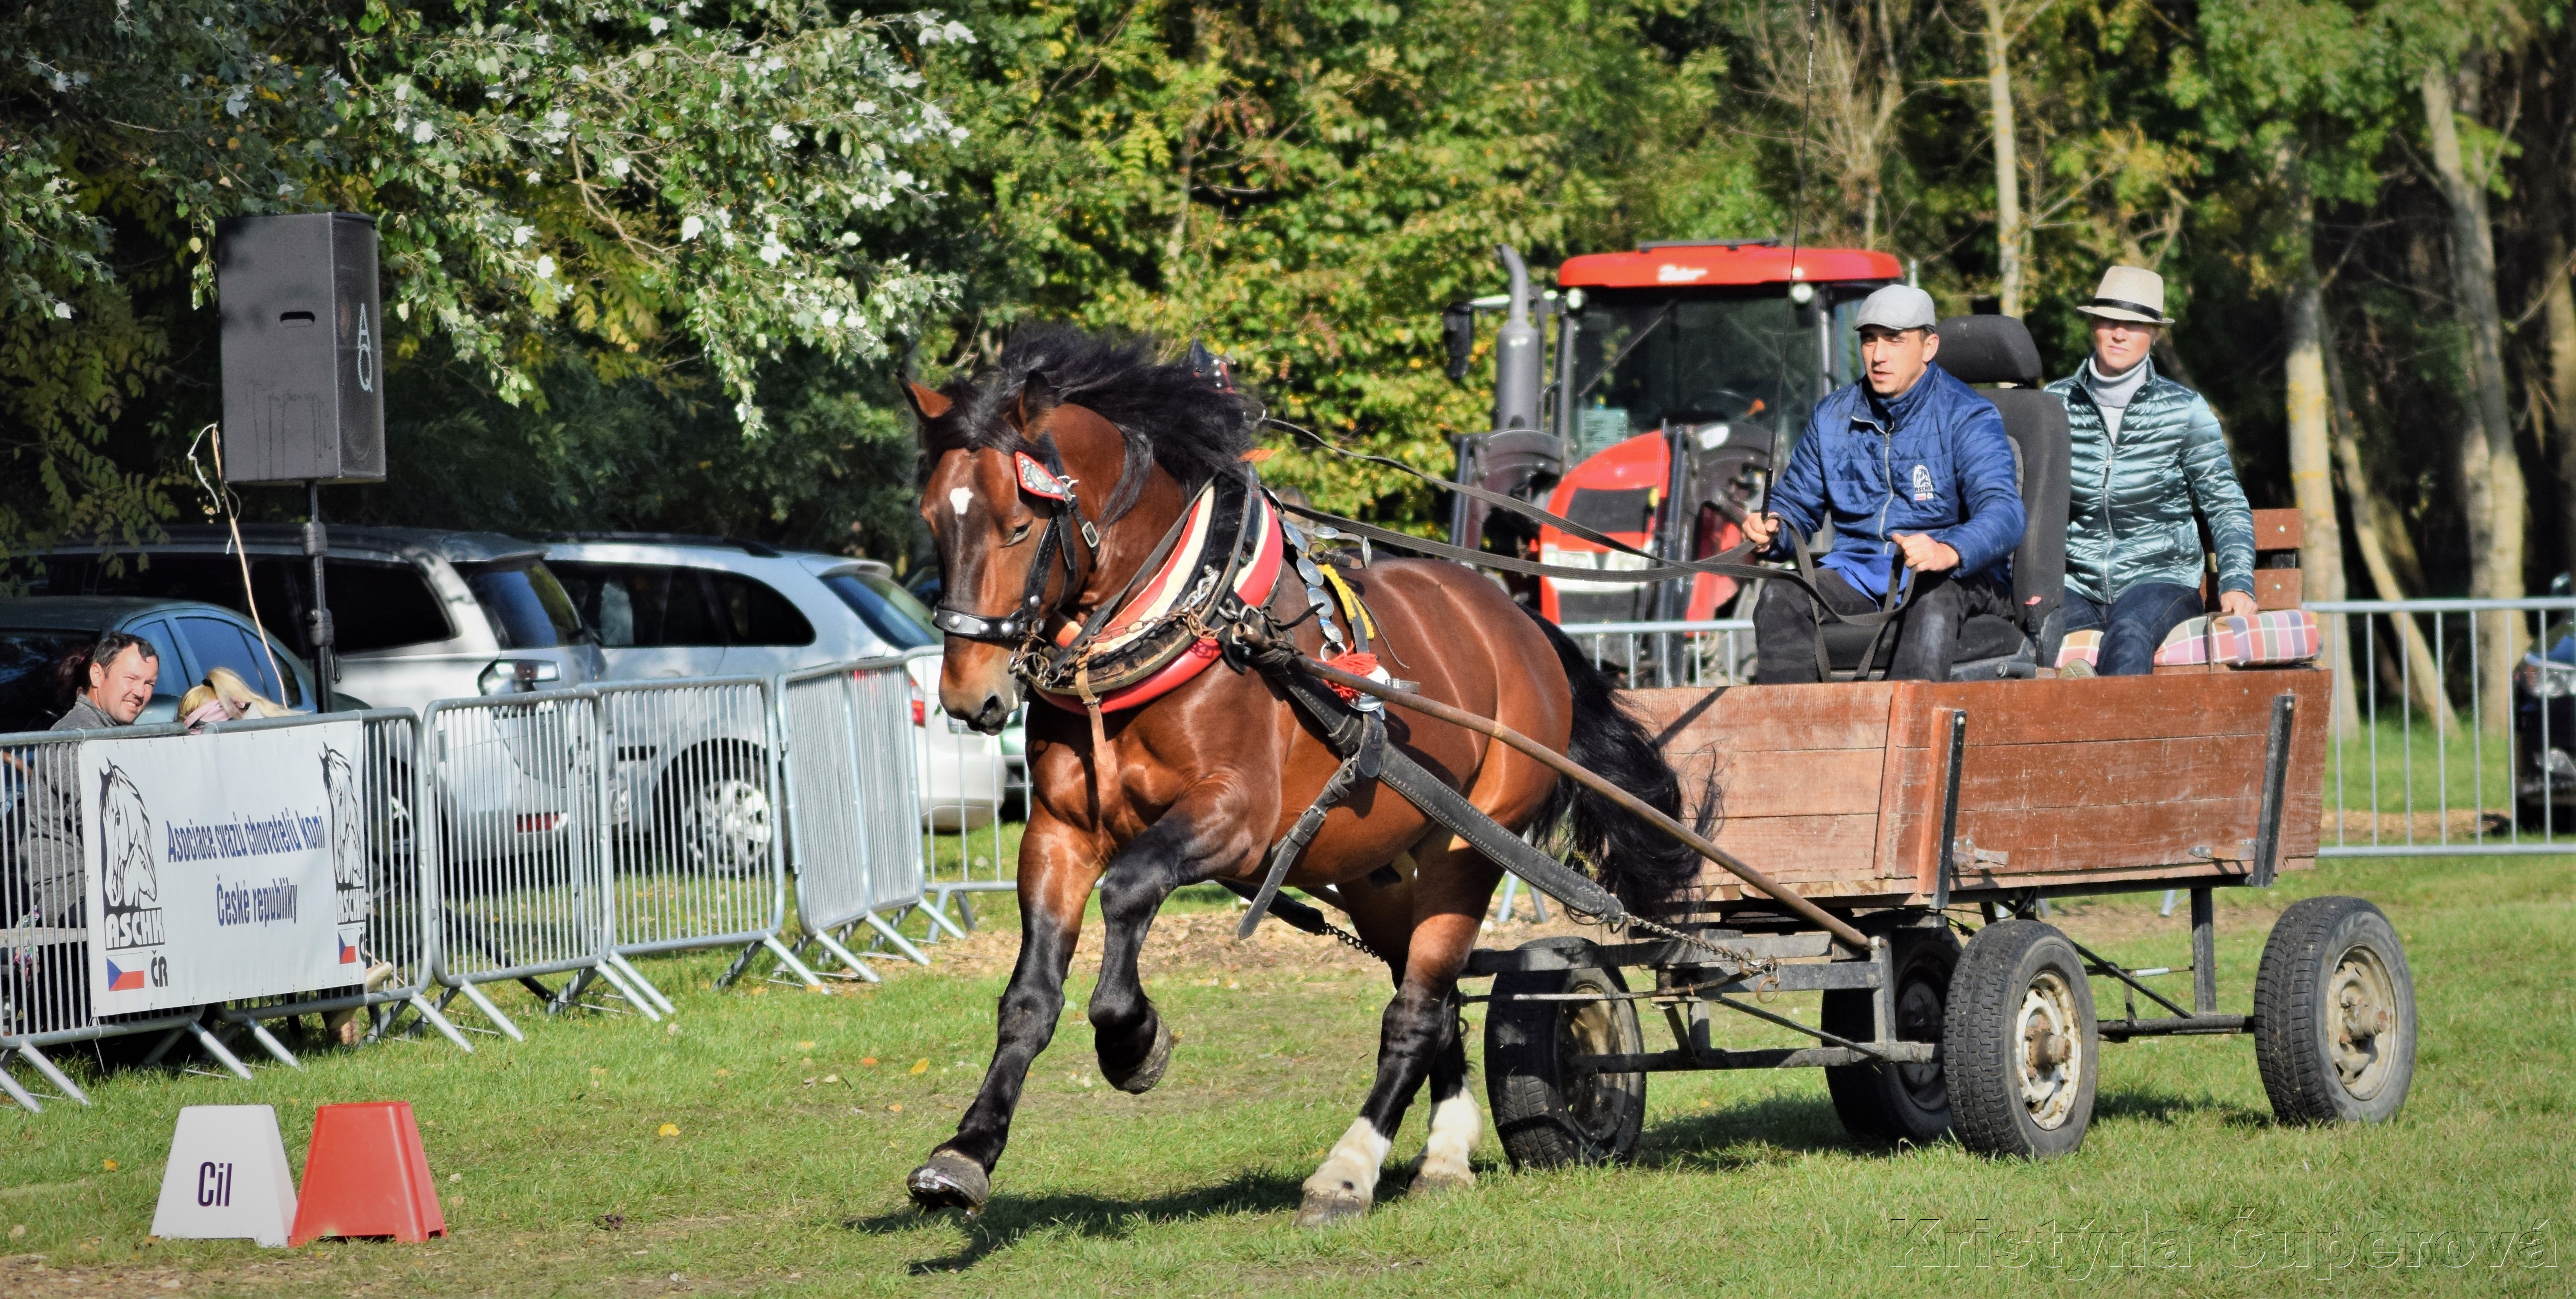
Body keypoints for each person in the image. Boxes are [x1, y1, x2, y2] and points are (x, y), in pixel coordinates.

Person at [1744, 284, 2027, 682]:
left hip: (1954, 577)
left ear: (1929, 347)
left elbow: (2005, 512)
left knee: (1932, 595)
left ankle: (1904, 739)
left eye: (1895, 341)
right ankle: (1796, 738)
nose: (1878, 355)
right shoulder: (1832, 416)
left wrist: (1948, 549)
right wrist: (1772, 528)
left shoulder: (1968, 414)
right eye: (1869, 340)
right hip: (1857, 570)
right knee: (1780, 596)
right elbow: (1795, 506)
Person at [2047, 267, 2255, 676]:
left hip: (2161, 579)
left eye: (2135, 324)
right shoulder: (2054, 404)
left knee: (2129, 630)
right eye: (2109, 321)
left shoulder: (2185, 410)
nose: (2119, 333)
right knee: (2033, 634)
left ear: (2155, 334)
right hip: (2075, 583)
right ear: (2094, 326)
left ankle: (2117, 740)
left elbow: (2226, 502)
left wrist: (2237, 581)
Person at [9, 634, 161, 932]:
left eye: (149, 684)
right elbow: (100, 824)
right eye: (131, 678)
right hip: (75, 898)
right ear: (96, 675)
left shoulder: (116, 734)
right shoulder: (75, 737)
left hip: (113, 890)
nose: (140, 692)